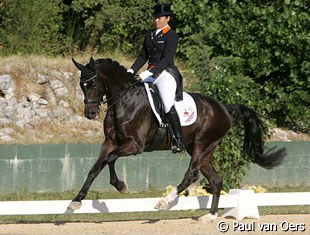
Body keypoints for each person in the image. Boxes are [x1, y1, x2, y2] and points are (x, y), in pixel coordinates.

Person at [127, 3, 185, 153]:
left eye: (160, 18)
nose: (157, 20)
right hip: (150, 73)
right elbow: (143, 56)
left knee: (166, 103)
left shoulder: (171, 35)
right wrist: (131, 70)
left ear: (168, 18)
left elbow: (167, 59)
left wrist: (150, 73)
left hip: (166, 73)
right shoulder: (150, 35)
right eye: (156, 18)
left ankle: (179, 140)